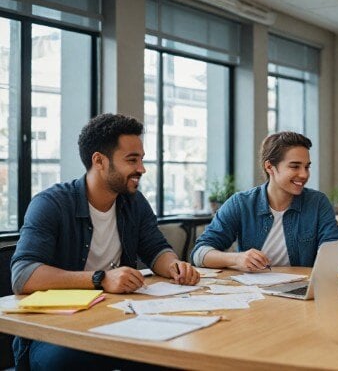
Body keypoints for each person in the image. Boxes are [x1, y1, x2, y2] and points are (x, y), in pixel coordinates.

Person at [11, 113, 200, 370]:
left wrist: (174, 266)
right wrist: (100, 279)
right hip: (57, 330)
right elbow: (23, 276)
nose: (141, 169)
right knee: (66, 362)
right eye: (131, 160)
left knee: (170, 354)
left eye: (141, 159)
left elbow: (156, 249)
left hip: (118, 319)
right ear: (99, 161)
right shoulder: (50, 204)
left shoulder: (134, 202)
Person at [191, 131, 338, 271]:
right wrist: (237, 259)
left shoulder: (318, 203)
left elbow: (332, 252)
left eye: (307, 167)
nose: (304, 174)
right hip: (253, 292)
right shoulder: (241, 203)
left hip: (301, 291)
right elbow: (199, 253)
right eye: (295, 166)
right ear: (269, 167)